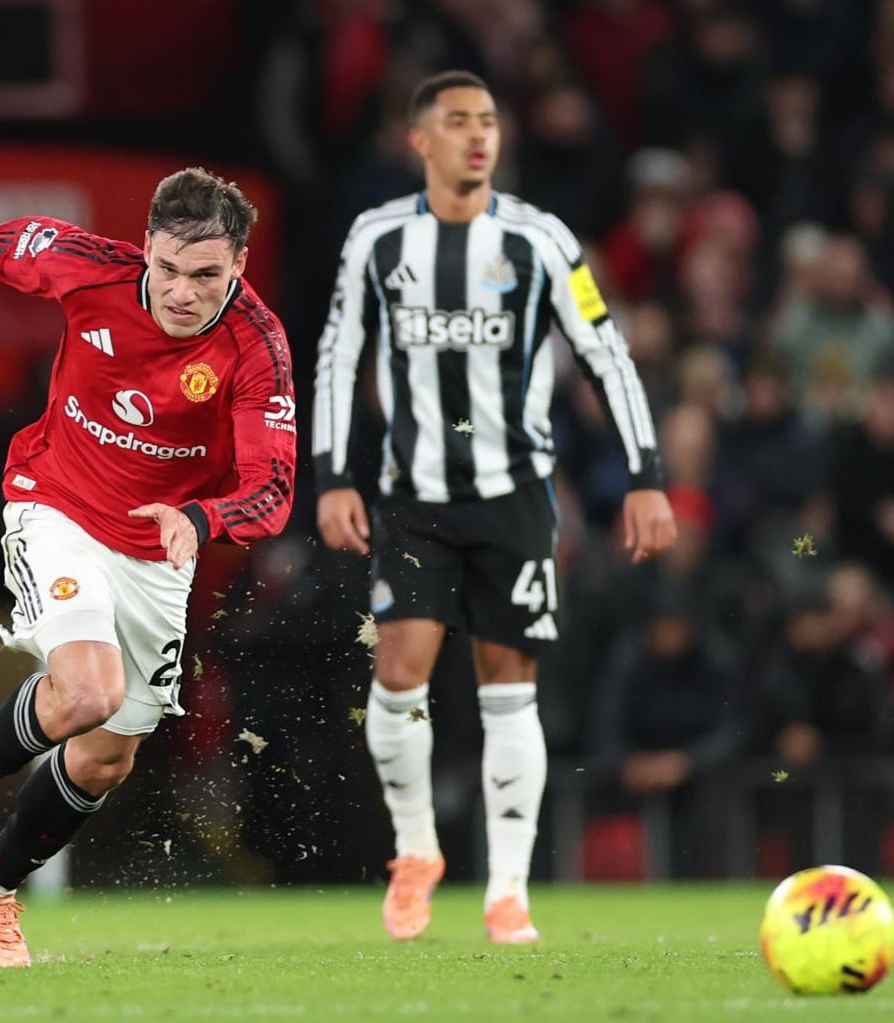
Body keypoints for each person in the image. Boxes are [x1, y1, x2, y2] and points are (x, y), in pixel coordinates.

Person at [0, 167, 296, 967]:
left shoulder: (255, 344)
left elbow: (271, 490)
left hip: (157, 548)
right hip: (54, 504)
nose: (180, 291)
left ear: (237, 266)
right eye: (166, 268)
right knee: (88, 689)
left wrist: (201, 517)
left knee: (107, 753)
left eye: (205, 275)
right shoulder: (85, 265)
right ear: (145, 249)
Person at [312, 70, 677, 944]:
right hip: (412, 502)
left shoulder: (541, 239)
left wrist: (646, 471)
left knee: (509, 691)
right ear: (420, 140)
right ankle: (415, 853)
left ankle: (507, 890)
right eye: (458, 122)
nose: (478, 137)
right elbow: (336, 354)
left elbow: (606, 351)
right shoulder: (376, 239)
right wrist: (331, 473)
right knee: (397, 675)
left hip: (513, 499)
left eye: (488, 122)